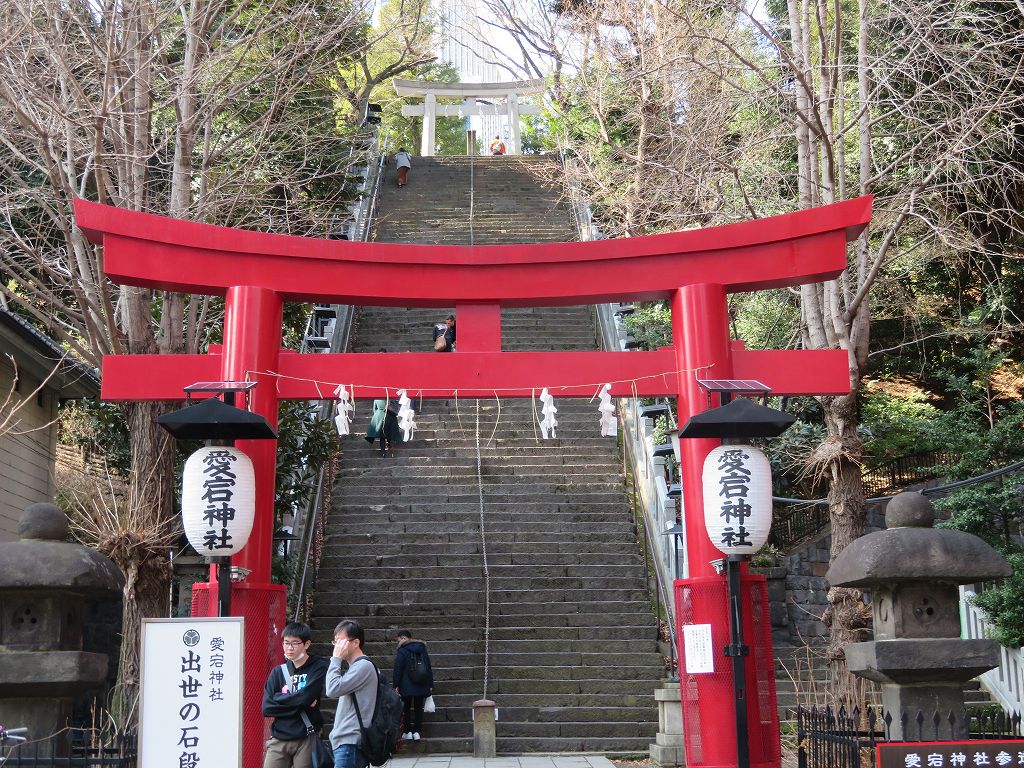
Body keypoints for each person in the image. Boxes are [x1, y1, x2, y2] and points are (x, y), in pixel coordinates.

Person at [262, 622, 330, 768]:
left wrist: (279, 698)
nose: (289, 648)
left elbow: (306, 698)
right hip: (279, 738)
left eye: (294, 643)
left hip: (306, 737)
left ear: (306, 644)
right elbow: (267, 708)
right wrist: (301, 703)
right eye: (286, 643)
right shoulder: (277, 672)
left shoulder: (318, 667)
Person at [325, 620, 378, 768]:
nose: (337, 647)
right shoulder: (357, 667)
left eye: (341, 642)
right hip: (345, 742)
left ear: (355, 643)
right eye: (335, 642)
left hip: (350, 741)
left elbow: (332, 689)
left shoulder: (363, 666)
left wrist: (335, 659)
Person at [392, 630, 434, 741]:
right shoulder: (422, 648)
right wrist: (430, 683)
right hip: (421, 683)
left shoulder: (402, 650)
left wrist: (396, 684)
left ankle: (407, 732)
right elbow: (428, 666)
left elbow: (398, 668)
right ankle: (417, 732)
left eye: (399, 639)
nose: (399, 641)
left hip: (406, 685)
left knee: (406, 708)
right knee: (418, 708)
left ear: (403, 638)